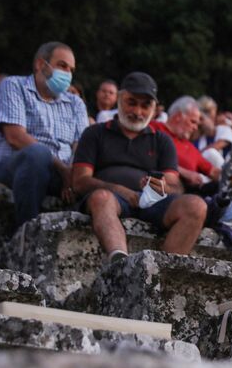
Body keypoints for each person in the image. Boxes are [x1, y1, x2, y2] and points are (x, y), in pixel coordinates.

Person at [72, 72, 207, 262]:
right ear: (119, 99)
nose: (137, 112)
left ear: (154, 108)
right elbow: (79, 180)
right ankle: (120, 262)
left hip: (152, 201)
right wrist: (120, 190)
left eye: (145, 105)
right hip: (111, 198)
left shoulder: (162, 141)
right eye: (131, 102)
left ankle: (163, 273)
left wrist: (159, 186)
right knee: (101, 198)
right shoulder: (95, 133)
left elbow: (175, 187)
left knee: (196, 206)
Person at [0, 42, 88, 227]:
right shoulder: (13, 86)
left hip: (60, 174)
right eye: (62, 66)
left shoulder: (75, 103)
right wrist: (62, 169)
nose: (68, 74)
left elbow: (81, 145)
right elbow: (15, 137)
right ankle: (27, 232)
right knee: (37, 154)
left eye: (71, 69)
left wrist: (73, 173)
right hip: (11, 165)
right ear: (41, 64)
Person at [150, 96, 221, 193]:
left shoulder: (190, 147)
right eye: (193, 122)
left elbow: (213, 171)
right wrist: (184, 172)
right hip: (160, 189)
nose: (195, 128)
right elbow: (149, 157)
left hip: (193, 193)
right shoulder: (154, 128)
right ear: (178, 116)